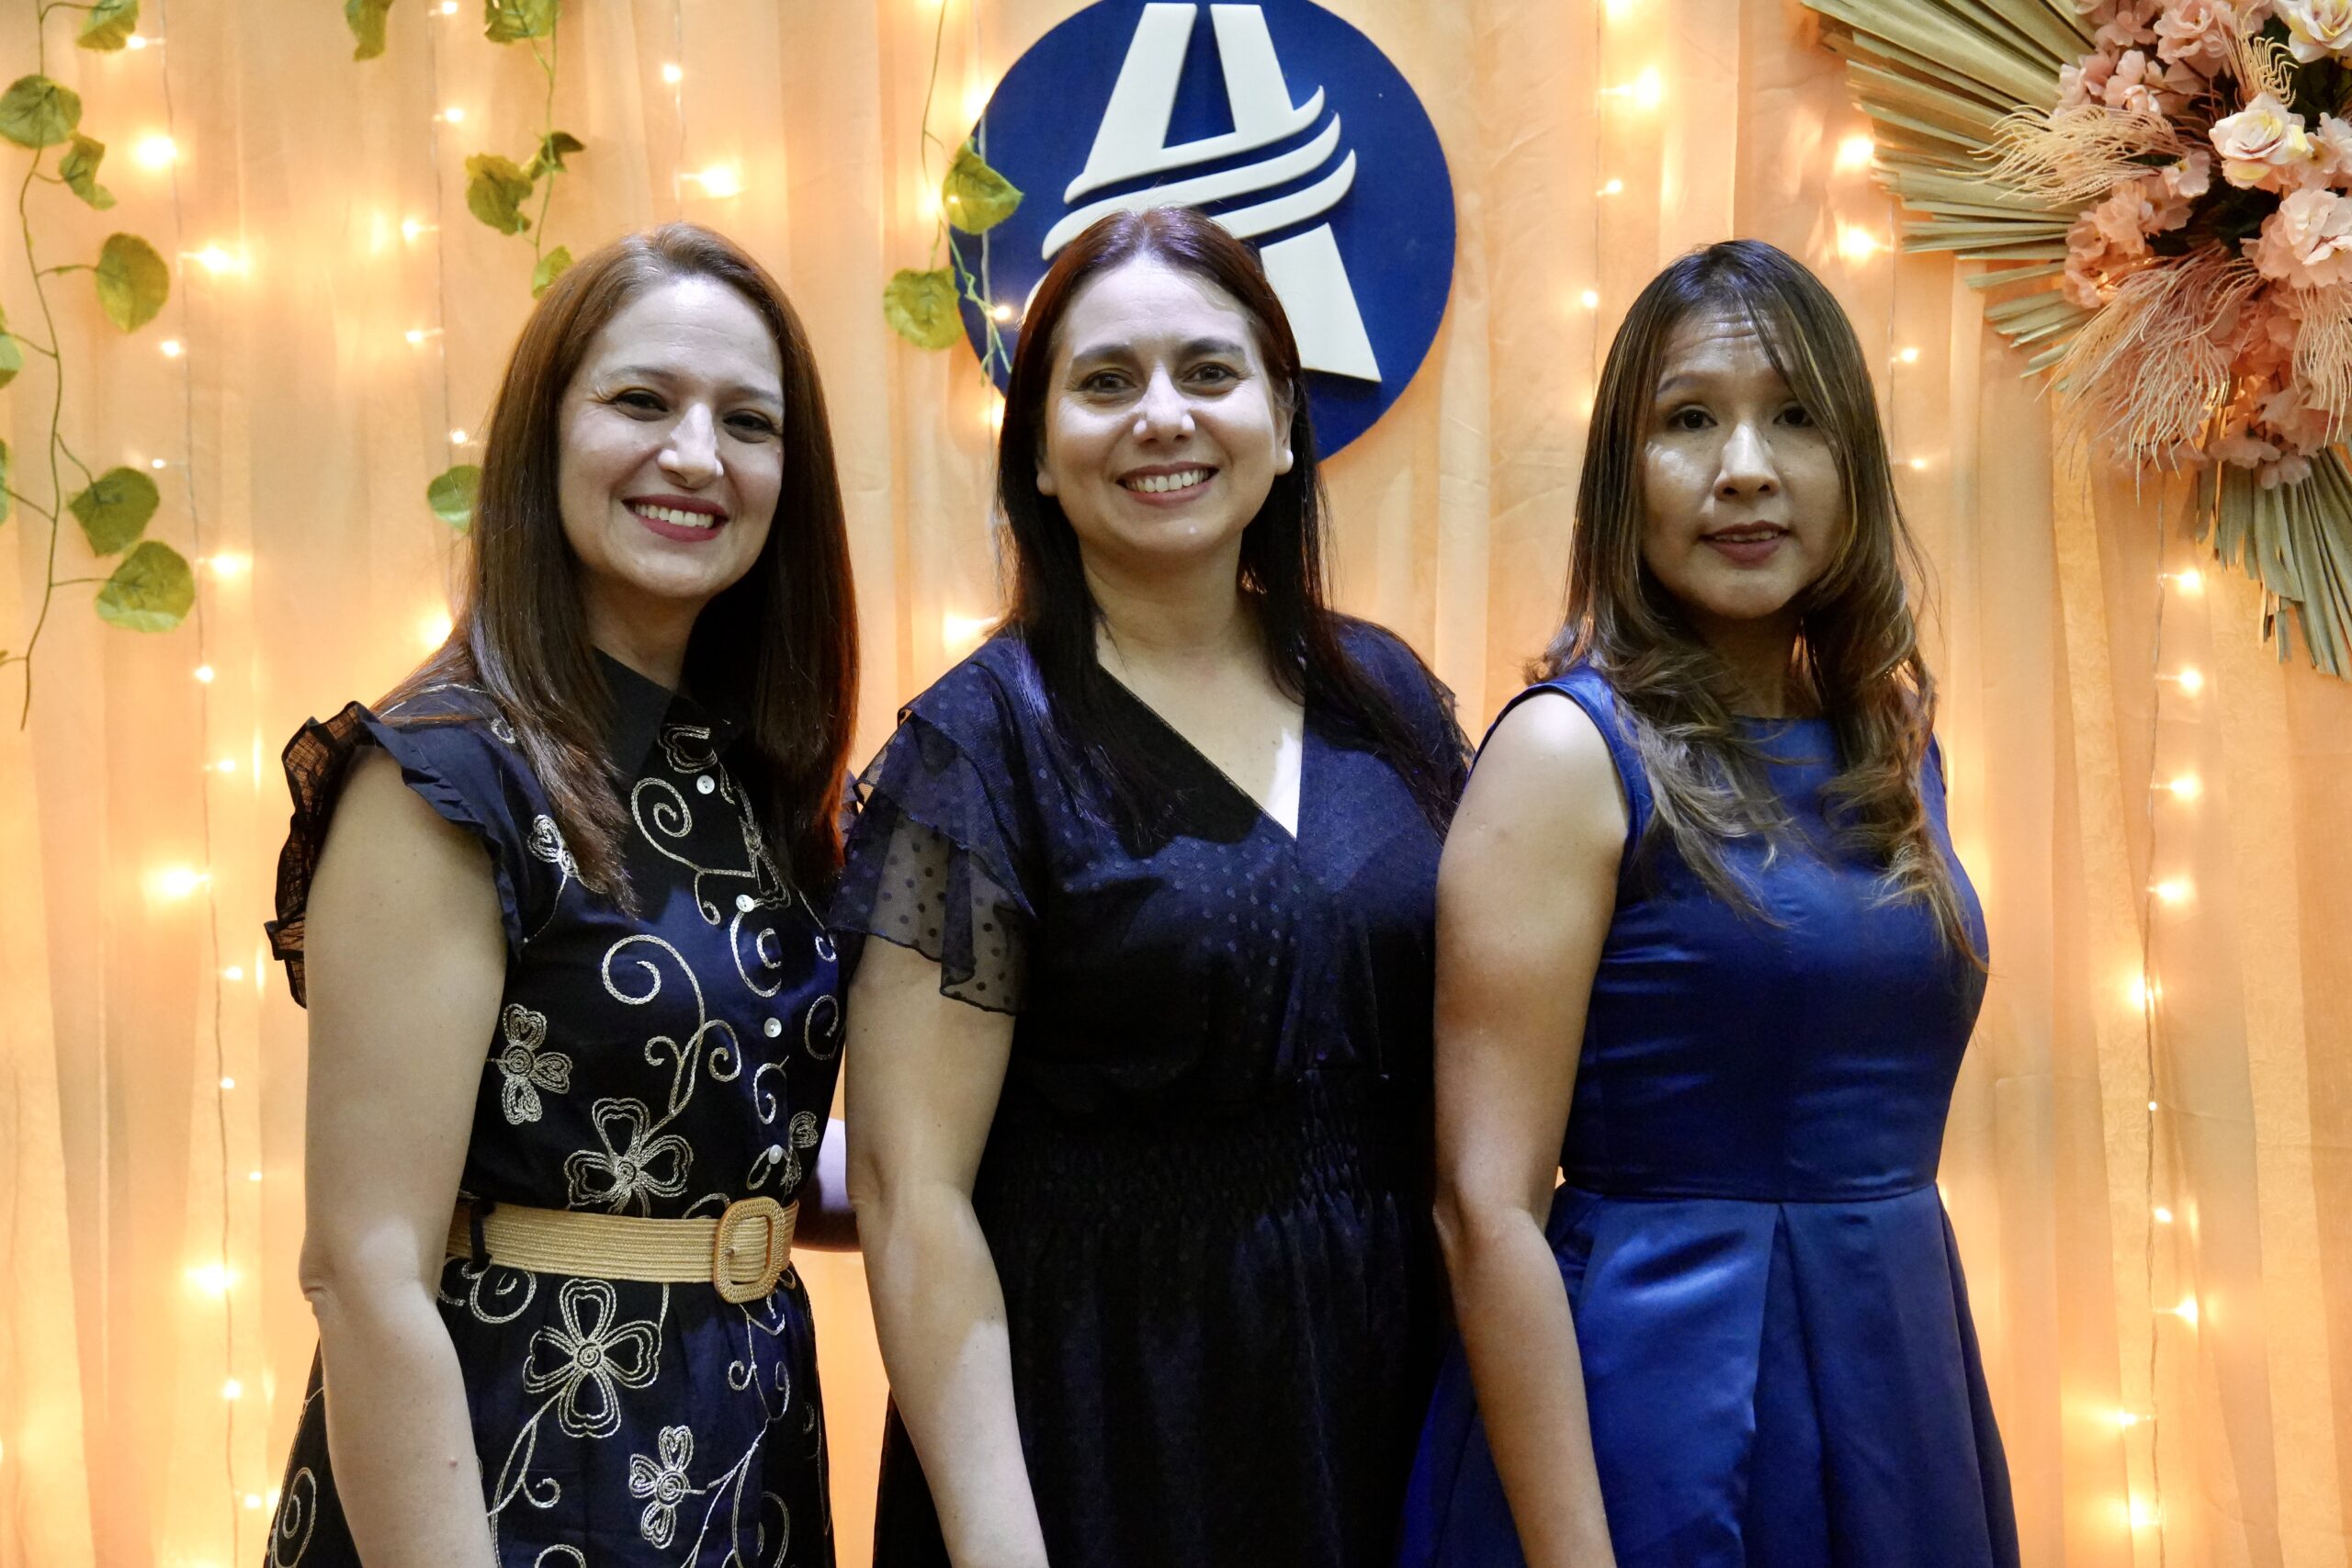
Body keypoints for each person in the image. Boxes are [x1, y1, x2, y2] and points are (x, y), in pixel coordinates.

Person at [832, 206, 1465, 1568]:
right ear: (1039, 454)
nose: (1162, 417)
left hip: (1388, 1391)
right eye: (1106, 381)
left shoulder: (1390, 700)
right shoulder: (975, 755)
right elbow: (910, 1193)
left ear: (1283, 422)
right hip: (1107, 1419)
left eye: (1208, 372)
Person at [1399, 239, 2018, 1568]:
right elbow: (1483, 1210)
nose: (1745, 466)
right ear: (1622, 476)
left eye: (1794, 416)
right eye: (1689, 420)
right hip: (1654, 1421)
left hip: (1900, 1385)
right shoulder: (1566, 753)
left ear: (1854, 462)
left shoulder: (1892, 740)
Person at [260, 223, 860, 1568]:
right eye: (642, 401)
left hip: (742, 1458)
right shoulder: (442, 776)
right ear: (545, 438)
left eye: (748, 422)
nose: (696, 455)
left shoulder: (744, 772)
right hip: (510, 1469)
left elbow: (724, 1142)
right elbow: (363, 1271)